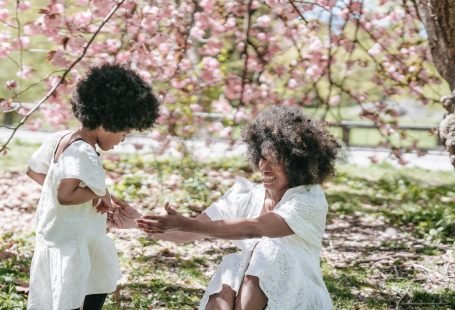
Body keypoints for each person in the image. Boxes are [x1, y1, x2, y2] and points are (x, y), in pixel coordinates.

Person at [136, 105, 339, 310]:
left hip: (299, 300)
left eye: (274, 160)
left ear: (297, 163)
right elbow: (186, 234)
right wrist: (136, 220)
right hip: (251, 297)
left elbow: (255, 228)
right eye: (262, 157)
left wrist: (185, 223)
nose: (263, 167)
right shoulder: (244, 195)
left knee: (269, 250)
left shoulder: (308, 199)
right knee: (232, 266)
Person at [25, 63, 160, 310]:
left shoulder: (61, 139)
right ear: (108, 121)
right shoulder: (84, 152)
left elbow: (35, 171)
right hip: (73, 242)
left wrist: (92, 196)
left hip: (67, 236)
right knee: (78, 295)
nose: (123, 139)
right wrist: (99, 192)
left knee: (90, 286)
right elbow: (65, 195)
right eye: (125, 132)